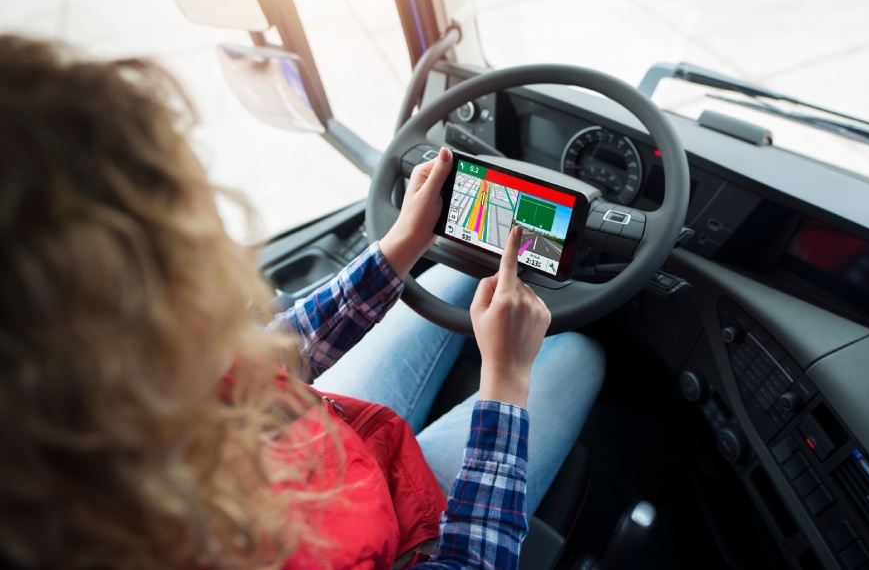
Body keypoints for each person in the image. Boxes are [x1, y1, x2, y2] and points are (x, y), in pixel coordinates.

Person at [0, 34, 605, 570]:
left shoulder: (117, 414)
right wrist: (505, 378)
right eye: (203, 267)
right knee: (580, 354)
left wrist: (398, 248)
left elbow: (263, 366)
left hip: (350, 451)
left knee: (448, 280)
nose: (243, 284)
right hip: (402, 541)